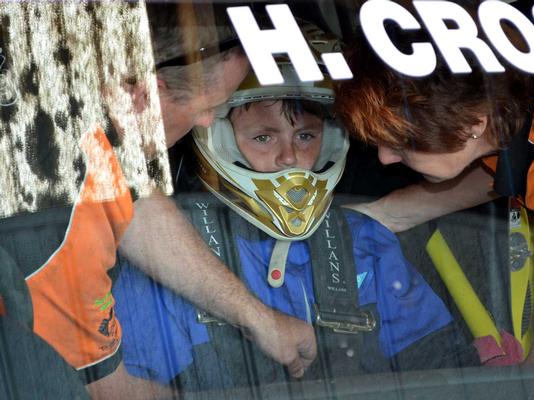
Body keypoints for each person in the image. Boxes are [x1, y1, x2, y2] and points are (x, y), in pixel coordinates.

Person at [0, 3, 316, 398]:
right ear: (143, 93)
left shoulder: (55, 79)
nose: (208, 123)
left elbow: (135, 199)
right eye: (208, 108)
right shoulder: (55, 198)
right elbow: (104, 390)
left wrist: (257, 318)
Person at [113, 61, 479, 392]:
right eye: (263, 137)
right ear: (222, 142)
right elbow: (122, 390)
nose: (289, 157)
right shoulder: (167, 258)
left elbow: (443, 376)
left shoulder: (364, 243)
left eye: (306, 136)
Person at [334, 8, 534, 363]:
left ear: (471, 125)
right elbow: (505, 172)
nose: (385, 158)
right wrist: (373, 217)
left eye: (401, 144)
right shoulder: (510, 104)